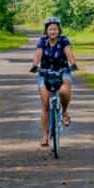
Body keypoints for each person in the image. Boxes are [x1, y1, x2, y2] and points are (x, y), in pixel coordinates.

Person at [30, 16, 79, 147]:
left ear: (59, 30)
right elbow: (38, 54)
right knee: (45, 105)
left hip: (62, 70)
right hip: (45, 72)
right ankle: (45, 137)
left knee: (64, 90)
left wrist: (73, 64)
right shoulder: (42, 41)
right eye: (50, 29)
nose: (53, 31)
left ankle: (64, 112)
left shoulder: (64, 40)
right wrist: (35, 65)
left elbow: (69, 52)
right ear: (46, 31)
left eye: (55, 29)